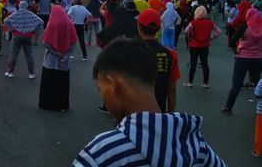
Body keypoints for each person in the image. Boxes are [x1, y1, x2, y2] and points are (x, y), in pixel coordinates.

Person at [73, 38, 227, 167]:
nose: (103, 98)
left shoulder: (102, 153)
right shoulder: (196, 145)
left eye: (100, 89)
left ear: (112, 85)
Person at [137, 9, 180, 112]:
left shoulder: (130, 51)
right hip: (159, 112)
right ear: (159, 28)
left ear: (138, 27)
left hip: (134, 114)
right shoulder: (171, 54)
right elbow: (172, 88)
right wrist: (170, 114)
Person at [222, 8, 262, 115]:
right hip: (258, 59)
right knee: (257, 83)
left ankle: (228, 107)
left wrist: (236, 51)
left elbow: (232, 41)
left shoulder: (244, 28)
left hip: (243, 58)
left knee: (237, 84)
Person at [39, 5, 77, 111]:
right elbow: (73, 42)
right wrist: (64, 56)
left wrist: (56, 53)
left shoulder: (52, 24)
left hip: (51, 59)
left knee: (49, 82)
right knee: (62, 83)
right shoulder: (69, 24)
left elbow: (46, 43)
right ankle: (62, 105)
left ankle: (47, 104)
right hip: (65, 60)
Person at [183, 6, 221, 88]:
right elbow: (218, 31)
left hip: (194, 45)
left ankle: (190, 82)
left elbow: (186, 31)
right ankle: (205, 83)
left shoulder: (193, 22)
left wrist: (190, 37)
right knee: (204, 64)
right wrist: (211, 38)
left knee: (193, 64)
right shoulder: (210, 23)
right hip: (205, 45)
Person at [4, 1, 44, 79]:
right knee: (29, 56)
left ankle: (10, 72)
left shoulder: (16, 14)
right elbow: (41, 22)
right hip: (28, 36)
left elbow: (6, 21)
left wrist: (11, 30)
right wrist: (34, 31)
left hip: (16, 36)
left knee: (14, 54)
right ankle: (31, 73)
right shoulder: (30, 14)